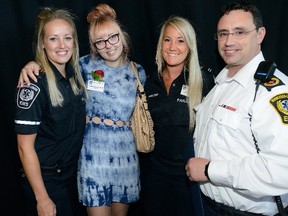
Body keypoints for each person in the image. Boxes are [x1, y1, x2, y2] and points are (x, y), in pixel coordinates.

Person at [17, 3, 146, 216]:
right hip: (93, 157)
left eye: (113, 37)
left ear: (122, 35)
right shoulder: (83, 67)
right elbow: (52, 65)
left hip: (126, 157)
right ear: (93, 45)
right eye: (100, 41)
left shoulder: (138, 72)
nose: (108, 45)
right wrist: (32, 63)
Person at [185, 1, 288, 215]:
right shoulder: (222, 82)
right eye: (223, 34)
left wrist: (209, 169)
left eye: (239, 32)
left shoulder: (272, 92)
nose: (229, 41)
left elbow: (282, 169)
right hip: (208, 206)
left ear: (260, 34)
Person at [15, 7, 87, 216]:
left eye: (67, 38)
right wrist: (42, 198)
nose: (62, 45)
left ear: (74, 41)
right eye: (54, 39)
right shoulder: (34, 84)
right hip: (47, 181)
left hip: (72, 176)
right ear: (43, 44)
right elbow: (23, 148)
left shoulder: (76, 77)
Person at [143, 16, 215, 216]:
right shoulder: (150, 82)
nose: (173, 46)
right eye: (167, 40)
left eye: (180, 40)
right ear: (161, 44)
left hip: (189, 177)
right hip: (155, 175)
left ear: (189, 46)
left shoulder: (204, 81)